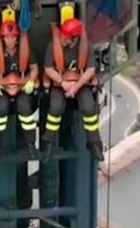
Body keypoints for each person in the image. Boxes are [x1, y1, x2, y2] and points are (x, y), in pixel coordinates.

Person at [42, 17, 103, 160]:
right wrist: (63, 83)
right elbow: (48, 68)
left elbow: (90, 69)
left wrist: (75, 87)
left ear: (75, 38)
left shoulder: (86, 46)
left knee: (89, 107)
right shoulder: (53, 46)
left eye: (66, 37)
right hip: (60, 82)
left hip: (80, 83)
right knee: (55, 108)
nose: (62, 39)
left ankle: (94, 141)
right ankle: (48, 142)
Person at [0, 19, 40, 157]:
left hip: (21, 88)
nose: (10, 40)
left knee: (25, 109)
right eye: (7, 37)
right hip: (2, 89)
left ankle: (31, 144)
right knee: (0, 110)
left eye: (13, 37)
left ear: (17, 38)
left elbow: (34, 68)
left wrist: (30, 81)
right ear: (3, 38)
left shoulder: (25, 51)